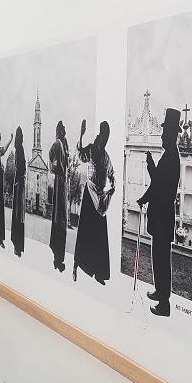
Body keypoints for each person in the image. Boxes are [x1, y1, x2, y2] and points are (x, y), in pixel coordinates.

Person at [137, 108, 181, 317]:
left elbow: (158, 186)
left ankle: (164, 304)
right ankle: (160, 292)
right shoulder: (169, 156)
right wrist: (152, 165)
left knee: (162, 259)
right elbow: (159, 183)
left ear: (172, 135)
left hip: (163, 217)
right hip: (162, 217)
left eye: (165, 133)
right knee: (159, 257)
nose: (162, 136)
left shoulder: (171, 157)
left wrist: (150, 165)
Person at [72, 120, 115, 285]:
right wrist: (81, 134)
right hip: (90, 193)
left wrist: (113, 186)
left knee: (99, 233)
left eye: (107, 137)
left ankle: (99, 272)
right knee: (85, 229)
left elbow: (111, 172)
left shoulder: (105, 155)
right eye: (104, 135)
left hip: (100, 196)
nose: (105, 139)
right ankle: (76, 264)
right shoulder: (91, 149)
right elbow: (80, 155)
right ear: (101, 135)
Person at [49, 120, 69, 272]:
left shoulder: (60, 143)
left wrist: (53, 167)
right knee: (60, 215)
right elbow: (51, 155)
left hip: (61, 182)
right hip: (61, 182)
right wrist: (54, 168)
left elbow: (51, 155)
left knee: (60, 215)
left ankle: (58, 256)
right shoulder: (62, 144)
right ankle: (58, 258)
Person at [10, 126, 26, 258]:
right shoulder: (20, 150)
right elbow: (22, 167)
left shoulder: (18, 149)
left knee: (17, 214)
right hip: (19, 184)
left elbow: (21, 167)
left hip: (18, 183)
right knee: (18, 214)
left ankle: (17, 245)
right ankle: (17, 246)